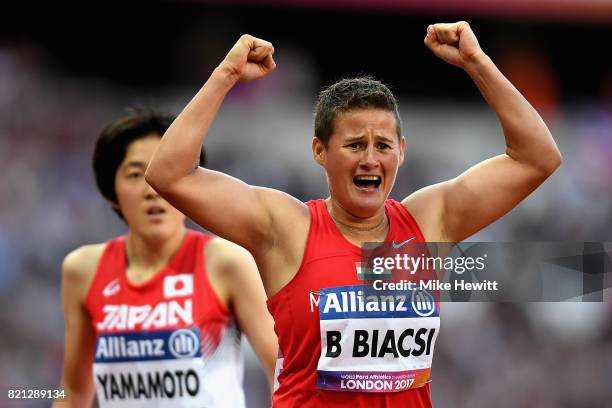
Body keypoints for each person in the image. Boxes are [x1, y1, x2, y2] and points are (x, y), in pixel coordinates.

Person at [145, 22, 562, 407]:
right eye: (354, 145)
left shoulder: (430, 220)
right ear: (319, 152)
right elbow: (170, 173)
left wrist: (478, 63)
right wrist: (226, 75)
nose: (369, 159)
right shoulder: (287, 228)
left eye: (383, 145)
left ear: (401, 151)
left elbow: (537, 157)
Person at [54, 109, 277, 408]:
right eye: (135, 175)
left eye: (166, 172)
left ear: (191, 188)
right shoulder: (82, 270)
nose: (153, 190)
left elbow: (284, 372)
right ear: (111, 193)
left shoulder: (226, 262)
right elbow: (74, 394)